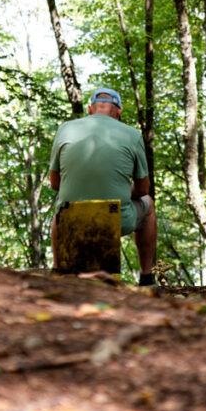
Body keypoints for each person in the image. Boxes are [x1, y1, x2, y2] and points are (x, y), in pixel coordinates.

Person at [49, 86, 158, 286]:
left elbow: (55, 184)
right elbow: (143, 190)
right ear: (119, 111)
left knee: (61, 207)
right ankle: (146, 277)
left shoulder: (65, 129)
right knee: (148, 204)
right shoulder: (132, 134)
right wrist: (125, 190)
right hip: (115, 217)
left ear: (89, 110)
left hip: (70, 220)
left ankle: (57, 269)